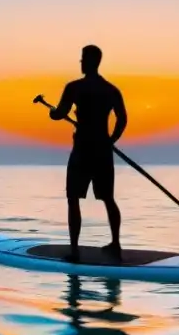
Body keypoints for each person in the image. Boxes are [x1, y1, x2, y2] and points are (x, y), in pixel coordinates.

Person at [49, 44, 127, 261]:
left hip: (82, 151)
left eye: (82, 58)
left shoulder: (74, 87)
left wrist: (53, 112)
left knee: (73, 198)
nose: (80, 62)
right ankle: (116, 245)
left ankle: (74, 250)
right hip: (102, 151)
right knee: (108, 198)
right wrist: (111, 140)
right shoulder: (111, 90)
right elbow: (123, 119)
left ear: (91, 61)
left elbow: (59, 114)